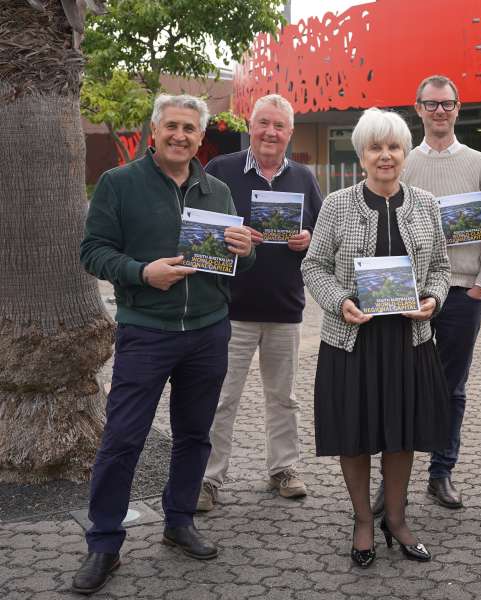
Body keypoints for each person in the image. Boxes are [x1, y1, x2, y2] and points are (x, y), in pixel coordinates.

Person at [74, 94, 255, 595]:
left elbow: (237, 265)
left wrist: (244, 252)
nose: (180, 136)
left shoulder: (217, 190)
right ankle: (105, 543)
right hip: (146, 331)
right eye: (171, 126)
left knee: (195, 435)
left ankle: (178, 522)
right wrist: (140, 273)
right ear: (155, 131)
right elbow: (93, 251)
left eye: (189, 129)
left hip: (208, 330)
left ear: (201, 137)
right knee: (123, 439)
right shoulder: (119, 183)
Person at [301, 107, 451, 568]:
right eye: (375, 148)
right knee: (355, 434)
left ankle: (398, 518)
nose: (385, 156)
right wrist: (338, 300)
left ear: (405, 153)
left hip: (408, 340)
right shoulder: (337, 204)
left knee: (401, 434)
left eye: (393, 147)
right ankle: (364, 520)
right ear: (361, 155)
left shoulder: (425, 203)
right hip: (352, 340)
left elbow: (442, 269)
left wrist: (433, 299)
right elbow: (313, 265)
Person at [197, 94, 322, 511]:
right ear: (250, 126)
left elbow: (322, 240)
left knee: (284, 398)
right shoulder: (220, 170)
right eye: (263, 123)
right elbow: (195, 228)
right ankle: (208, 479)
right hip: (229, 309)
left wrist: (307, 239)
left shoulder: (304, 177)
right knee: (221, 398)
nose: (271, 132)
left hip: (285, 309)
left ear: (290, 132)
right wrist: (231, 239)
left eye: (279, 126)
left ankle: (283, 469)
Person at [391, 74, 481, 510]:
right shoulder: (403, 162)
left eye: (447, 104)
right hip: (408, 294)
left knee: (451, 388)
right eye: (431, 104)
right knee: (399, 384)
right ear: (417, 108)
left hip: (460, 294)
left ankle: (441, 473)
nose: (439, 111)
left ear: (459, 109)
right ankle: (393, 477)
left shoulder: (480, 164)